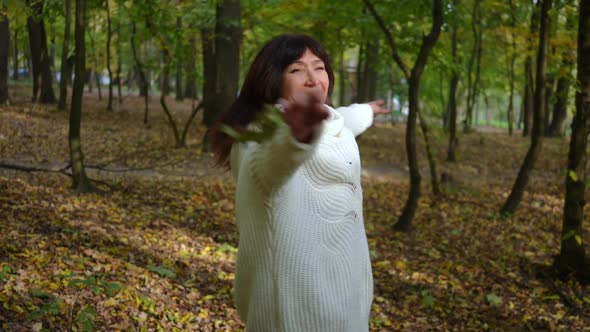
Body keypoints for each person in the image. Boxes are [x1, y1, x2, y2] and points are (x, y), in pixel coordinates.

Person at [210, 34, 388, 332]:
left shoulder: (330, 124)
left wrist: (366, 111)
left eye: (319, 68)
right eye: (296, 70)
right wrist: (296, 137)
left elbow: (343, 121)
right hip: (294, 311)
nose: (312, 78)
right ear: (272, 81)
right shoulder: (263, 138)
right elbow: (272, 162)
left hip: (348, 297)